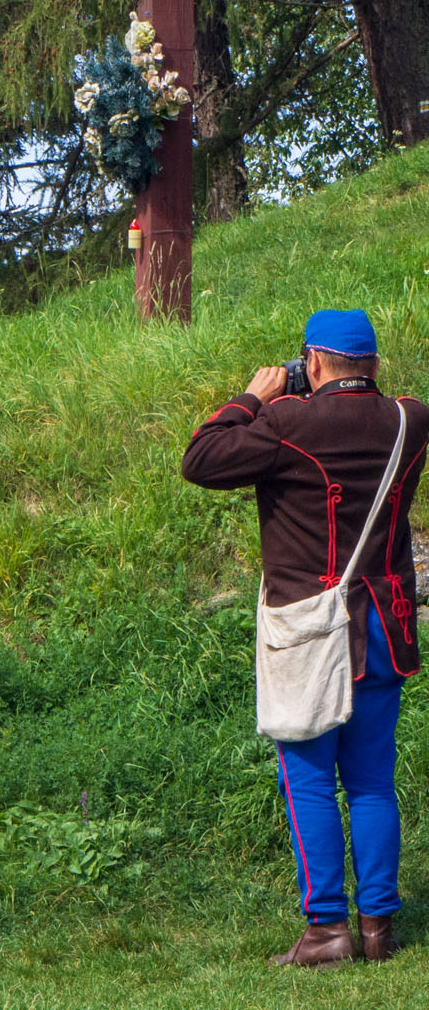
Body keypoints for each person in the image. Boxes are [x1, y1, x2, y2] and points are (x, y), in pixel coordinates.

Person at [183, 308, 429, 966]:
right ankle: (378, 929)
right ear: (373, 365)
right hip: (386, 624)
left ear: (310, 363)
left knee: (311, 780)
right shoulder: (411, 419)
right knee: (373, 781)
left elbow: (200, 459)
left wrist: (253, 398)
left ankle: (326, 931)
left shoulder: (286, 423)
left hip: (312, 631)